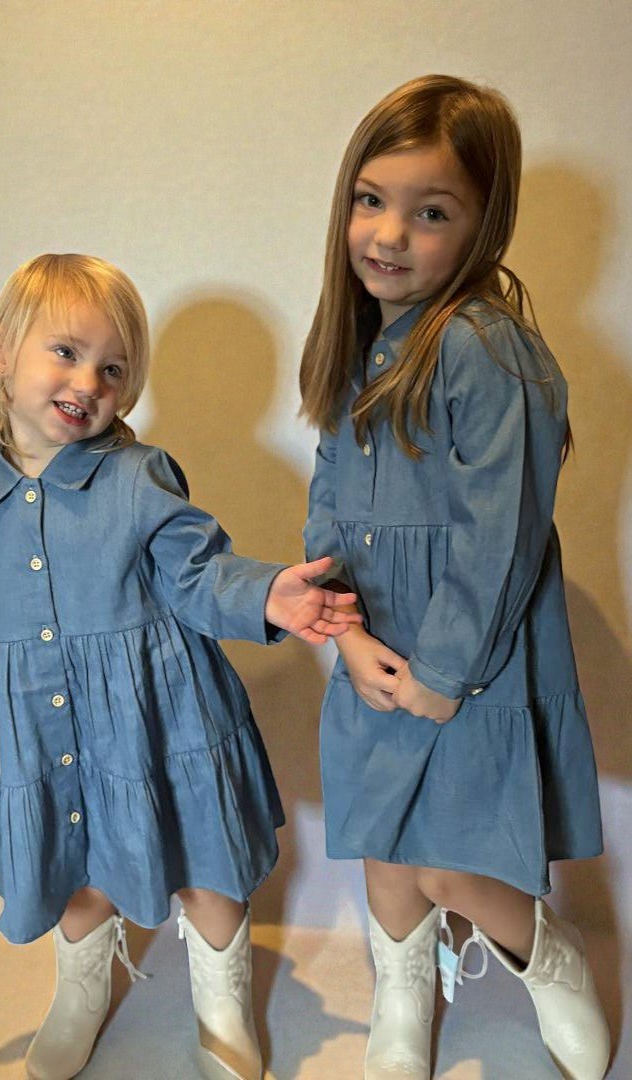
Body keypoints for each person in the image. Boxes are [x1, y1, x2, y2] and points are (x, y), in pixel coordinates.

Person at [0, 253, 361, 1080]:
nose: (89, 379)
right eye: (66, 351)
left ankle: (223, 1004)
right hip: (58, 737)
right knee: (80, 876)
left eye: (112, 367)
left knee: (205, 868)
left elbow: (197, 572)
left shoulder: (138, 476)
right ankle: (81, 995)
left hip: (168, 721)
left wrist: (268, 596)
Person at [300, 75, 610, 1079]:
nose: (388, 233)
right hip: (374, 644)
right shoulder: (360, 349)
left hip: (463, 656)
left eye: (429, 213)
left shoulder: (485, 350)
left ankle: (540, 951)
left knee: (451, 856)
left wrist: (438, 671)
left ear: (482, 224)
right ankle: (404, 983)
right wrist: (341, 634)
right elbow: (331, 509)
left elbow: (502, 537)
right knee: (386, 846)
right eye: (370, 199)